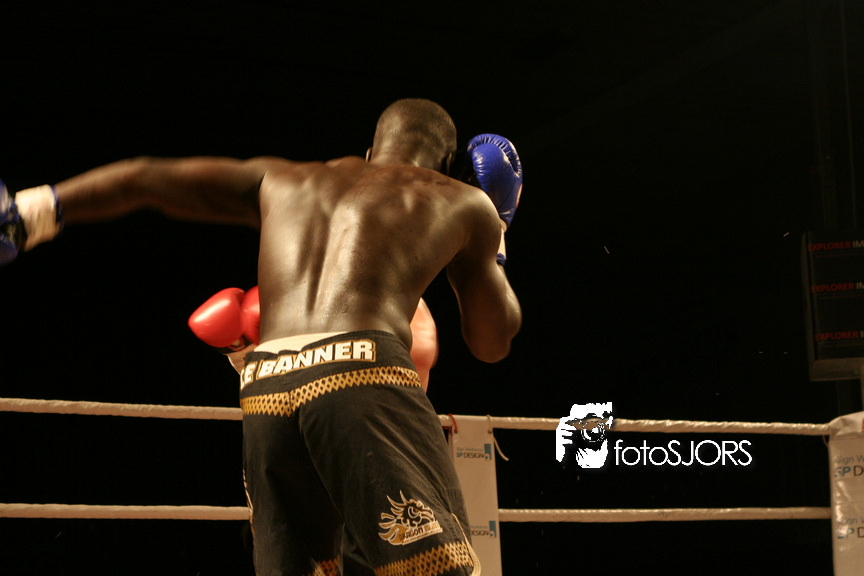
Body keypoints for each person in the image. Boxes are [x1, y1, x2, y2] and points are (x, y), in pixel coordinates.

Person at [1, 98, 522, 575]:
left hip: (267, 382)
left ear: (371, 149)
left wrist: (31, 213)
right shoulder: (458, 199)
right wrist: (495, 231)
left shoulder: (285, 177)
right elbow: (491, 344)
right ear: (448, 162)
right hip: (364, 373)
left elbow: (146, 177)